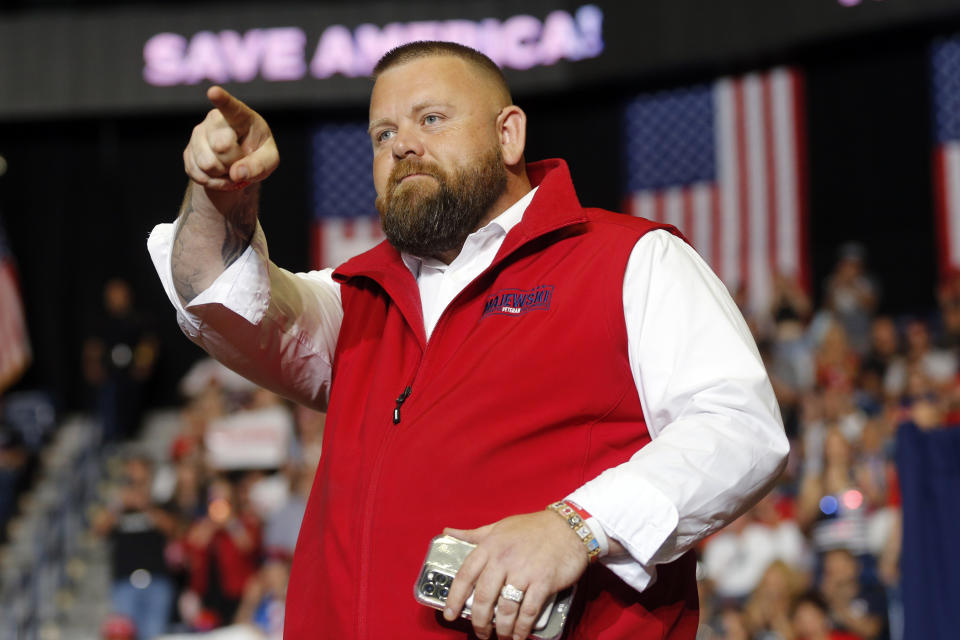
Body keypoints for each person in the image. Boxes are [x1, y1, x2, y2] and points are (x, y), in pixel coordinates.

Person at [147, 41, 788, 639]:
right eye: (384, 133)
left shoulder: (629, 260)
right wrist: (218, 197)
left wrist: (578, 528)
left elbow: (739, 428)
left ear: (508, 133)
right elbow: (221, 298)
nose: (402, 147)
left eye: (431, 119)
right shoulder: (357, 298)